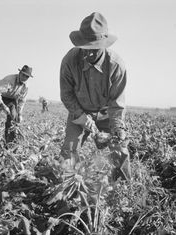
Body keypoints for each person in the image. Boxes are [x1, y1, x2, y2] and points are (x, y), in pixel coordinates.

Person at [59, 12, 130, 180]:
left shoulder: (115, 65)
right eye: (85, 48)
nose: (88, 54)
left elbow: (116, 103)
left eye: (94, 49)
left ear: (104, 44)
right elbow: (67, 95)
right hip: (79, 111)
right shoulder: (70, 60)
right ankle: (66, 186)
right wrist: (84, 119)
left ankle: (122, 187)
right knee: (69, 149)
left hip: (107, 112)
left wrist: (118, 129)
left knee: (120, 148)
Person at [0, 65, 33, 143]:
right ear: (20, 73)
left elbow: (22, 101)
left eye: (27, 76)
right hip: (0, 97)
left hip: (12, 100)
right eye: (23, 74)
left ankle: (9, 142)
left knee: (14, 119)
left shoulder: (26, 86)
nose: (24, 77)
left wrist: (20, 114)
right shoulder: (9, 79)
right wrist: (3, 105)